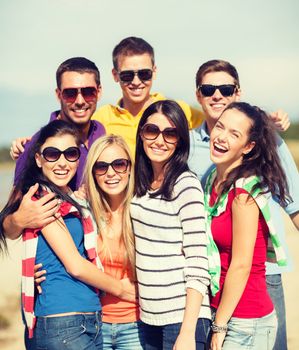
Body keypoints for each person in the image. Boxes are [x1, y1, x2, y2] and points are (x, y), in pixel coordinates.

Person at [188, 59, 299, 350]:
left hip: (251, 299)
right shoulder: (209, 169)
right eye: (209, 88)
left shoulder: (246, 189)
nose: (217, 95)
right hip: (220, 295)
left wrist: (220, 325)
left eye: (225, 88)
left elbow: (294, 205)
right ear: (198, 94)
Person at [0, 120, 135, 349]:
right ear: (38, 159)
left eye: (70, 154)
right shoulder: (43, 200)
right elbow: (75, 265)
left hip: (80, 319)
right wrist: (122, 289)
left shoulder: (69, 198)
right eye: (52, 154)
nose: (62, 162)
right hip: (64, 321)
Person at [205, 102, 295, 350]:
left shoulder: (245, 191)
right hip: (222, 309)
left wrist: (220, 325)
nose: (222, 137)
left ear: (248, 146)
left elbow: (242, 265)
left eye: (234, 134)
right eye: (220, 127)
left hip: (246, 321)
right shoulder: (213, 180)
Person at [131, 100, 211, 350]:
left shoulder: (186, 185)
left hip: (183, 319)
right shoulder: (138, 184)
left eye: (170, 133)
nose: (159, 140)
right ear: (141, 134)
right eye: (152, 130)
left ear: (181, 140)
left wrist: (187, 332)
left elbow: (198, 260)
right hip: (148, 318)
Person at [3, 57, 105, 239]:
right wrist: (19, 220)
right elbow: (7, 228)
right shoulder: (37, 146)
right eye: (70, 93)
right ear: (58, 94)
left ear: (99, 92)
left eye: (88, 92)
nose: (80, 101)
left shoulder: (100, 132)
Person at [92, 36, 205, 155]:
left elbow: (215, 126)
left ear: (154, 72)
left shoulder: (179, 111)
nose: (136, 82)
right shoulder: (102, 119)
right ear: (115, 75)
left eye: (144, 74)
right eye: (127, 75)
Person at [82, 134, 144, 349]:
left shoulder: (143, 211)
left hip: (136, 326)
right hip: (93, 325)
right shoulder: (84, 215)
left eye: (119, 164)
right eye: (101, 167)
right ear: (93, 173)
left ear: (129, 167)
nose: (111, 173)